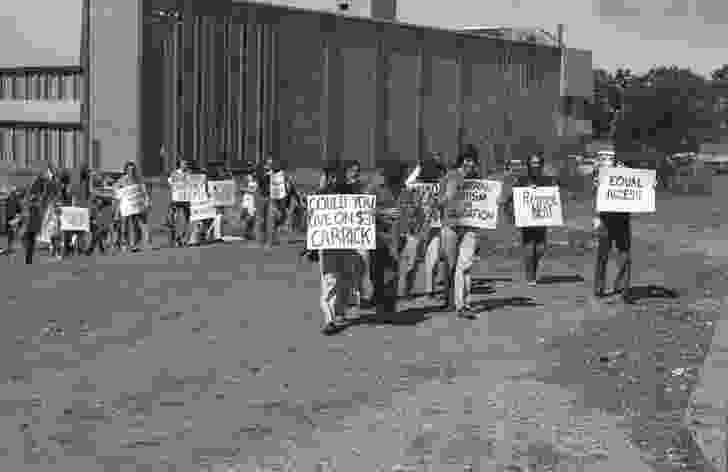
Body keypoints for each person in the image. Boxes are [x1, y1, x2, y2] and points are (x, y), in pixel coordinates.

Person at [310, 162, 360, 334]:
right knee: (330, 280)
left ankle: (339, 312)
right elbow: (314, 220)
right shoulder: (321, 195)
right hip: (330, 244)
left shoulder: (353, 192)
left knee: (345, 279)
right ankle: (329, 319)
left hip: (346, 242)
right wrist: (312, 246)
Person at [438, 150, 483, 319]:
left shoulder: (478, 180)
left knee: (465, 265)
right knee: (450, 265)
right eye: (467, 160)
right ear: (461, 161)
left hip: (470, 227)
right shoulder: (449, 177)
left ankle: (463, 304)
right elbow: (437, 202)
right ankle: (449, 299)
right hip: (451, 226)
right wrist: (447, 197)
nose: (470, 164)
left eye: (473, 161)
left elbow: (485, 201)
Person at [366, 159, 412, 319]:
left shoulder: (404, 188)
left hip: (395, 237)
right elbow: (364, 208)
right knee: (375, 272)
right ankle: (378, 298)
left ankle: (388, 307)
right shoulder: (374, 187)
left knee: (392, 271)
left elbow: (407, 210)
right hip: (376, 236)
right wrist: (383, 213)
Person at [399, 152, 448, 303]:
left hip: (435, 225)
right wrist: (420, 167)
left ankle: (430, 290)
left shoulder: (442, 183)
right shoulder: (413, 184)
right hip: (417, 226)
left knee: (432, 260)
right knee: (412, 260)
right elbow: (406, 185)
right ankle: (405, 291)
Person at [506, 152, 559, 285]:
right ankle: (530, 277)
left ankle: (533, 269)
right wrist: (526, 190)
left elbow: (552, 195)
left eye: (537, 163)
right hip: (527, 221)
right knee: (529, 249)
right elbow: (513, 196)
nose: (535, 165)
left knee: (540, 249)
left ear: (541, 164)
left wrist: (547, 189)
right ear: (529, 164)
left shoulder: (547, 180)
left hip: (541, 221)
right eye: (532, 163)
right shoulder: (522, 180)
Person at [592, 157, 636, 303]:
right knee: (602, 255)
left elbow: (642, 191)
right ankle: (599, 288)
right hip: (605, 220)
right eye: (618, 164)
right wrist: (596, 217)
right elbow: (597, 195)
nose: (621, 166)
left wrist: (650, 186)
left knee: (625, 255)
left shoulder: (631, 179)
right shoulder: (603, 177)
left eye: (624, 164)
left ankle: (622, 289)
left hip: (623, 221)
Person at [115, 161, 151, 252]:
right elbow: (116, 191)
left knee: (136, 225)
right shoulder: (122, 180)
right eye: (129, 169)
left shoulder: (138, 179)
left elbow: (144, 192)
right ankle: (124, 244)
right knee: (124, 226)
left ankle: (135, 245)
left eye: (133, 169)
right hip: (126, 206)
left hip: (136, 206)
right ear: (126, 170)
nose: (131, 171)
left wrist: (147, 202)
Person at [167, 157, 192, 247]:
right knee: (175, 219)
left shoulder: (190, 173)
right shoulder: (174, 173)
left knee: (187, 219)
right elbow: (171, 183)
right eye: (183, 163)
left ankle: (183, 237)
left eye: (186, 163)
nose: (185, 165)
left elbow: (194, 184)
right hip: (177, 199)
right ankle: (175, 238)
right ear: (180, 164)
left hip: (187, 199)